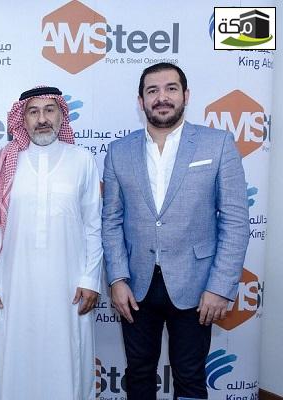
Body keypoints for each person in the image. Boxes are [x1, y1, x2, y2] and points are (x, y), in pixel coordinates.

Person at [102, 62, 250, 399]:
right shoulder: (119, 151)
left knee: (190, 377)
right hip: (135, 287)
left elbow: (235, 221)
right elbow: (111, 220)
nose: (162, 97)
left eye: (171, 89)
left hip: (197, 285)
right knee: (138, 374)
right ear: (140, 101)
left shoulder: (218, 144)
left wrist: (220, 287)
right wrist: (117, 279)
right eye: (152, 91)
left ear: (186, 95)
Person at [0, 86, 103, 400]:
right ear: (22, 119)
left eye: (49, 110)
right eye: (33, 112)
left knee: (67, 359)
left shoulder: (82, 160)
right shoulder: (3, 162)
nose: (42, 119)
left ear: (61, 116)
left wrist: (90, 279)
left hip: (69, 284)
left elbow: (93, 225)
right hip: (13, 285)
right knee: (15, 361)